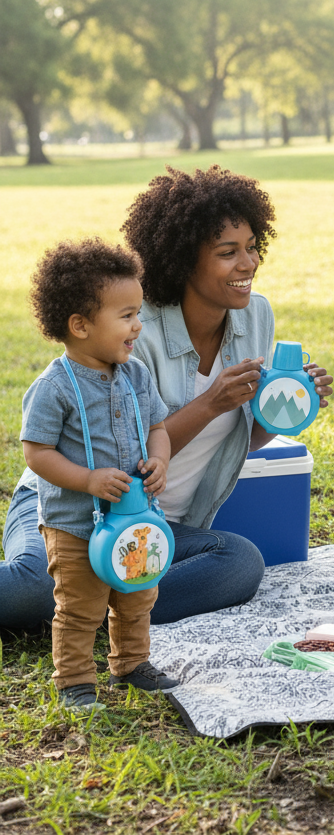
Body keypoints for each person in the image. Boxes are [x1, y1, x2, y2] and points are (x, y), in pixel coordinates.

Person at [1, 166, 333, 629]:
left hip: (156, 521)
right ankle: (96, 602)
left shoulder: (255, 315)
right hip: (77, 508)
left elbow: (240, 440)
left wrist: (286, 405)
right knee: (33, 589)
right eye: (228, 252)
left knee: (238, 562)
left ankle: (90, 607)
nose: (249, 263)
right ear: (182, 259)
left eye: (253, 247)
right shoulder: (133, 330)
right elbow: (125, 450)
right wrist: (211, 402)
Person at [21, 238, 176, 711]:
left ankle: (132, 664)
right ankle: (74, 682)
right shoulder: (54, 388)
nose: (138, 325)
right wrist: (88, 481)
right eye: (126, 315)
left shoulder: (136, 375)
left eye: (138, 313)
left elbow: (158, 427)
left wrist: (160, 459)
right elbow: (36, 452)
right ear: (80, 325)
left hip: (134, 519)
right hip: (74, 524)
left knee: (137, 593)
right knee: (81, 606)